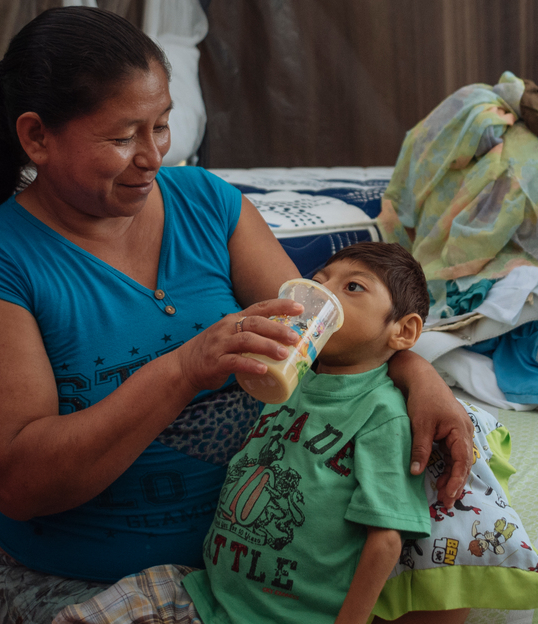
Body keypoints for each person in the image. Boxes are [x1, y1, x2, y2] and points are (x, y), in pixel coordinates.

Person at [0, 7, 473, 624]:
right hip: (94, 575)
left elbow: (325, 329)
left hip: (279, 549)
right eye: (121, 137)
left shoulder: (206, 204)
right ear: (37, 138)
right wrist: (184, 368)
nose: (152, 156)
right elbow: (20, 485)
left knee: (455, 517)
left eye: (160, 126)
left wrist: (421, 377)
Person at [62, 241, 434, 624]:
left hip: (284, 615)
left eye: (353, 287)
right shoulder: (288, 380)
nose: (322, 295)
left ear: (403, 332)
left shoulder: (382, 414)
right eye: (317, 282)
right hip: (207, 594)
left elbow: (387, 538)